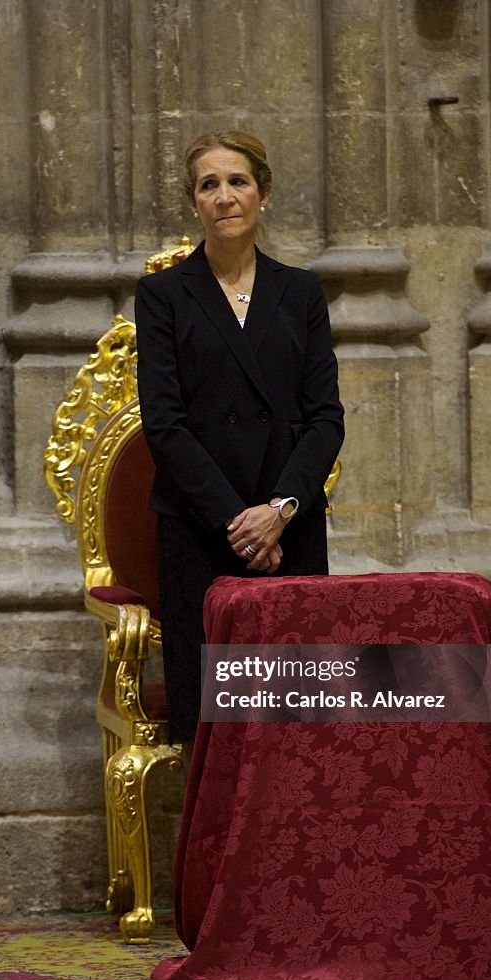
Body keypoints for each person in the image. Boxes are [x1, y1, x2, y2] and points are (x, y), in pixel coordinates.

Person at [135, 130, 344, 765]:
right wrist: (238, 521)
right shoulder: (165, 295)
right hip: (202, 533)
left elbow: (326, 418)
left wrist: (279, 510)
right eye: (209, 185)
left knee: (292, 726)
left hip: (290, 530)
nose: (225, 196)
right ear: (193, 203)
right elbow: (164, 424)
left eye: (237, 181)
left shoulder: (301, 291)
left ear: (264, 193)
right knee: (218, 738)